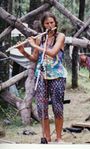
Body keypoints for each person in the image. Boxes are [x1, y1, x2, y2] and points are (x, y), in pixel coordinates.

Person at [17, 12, 67, 143]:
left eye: (52, 23)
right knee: (41, 108)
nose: (50, 25)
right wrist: (23, 52)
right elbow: (35, 58)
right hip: (41, 76)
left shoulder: (60, 36)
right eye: (47, 23)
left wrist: (33, 44)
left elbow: (52, 53)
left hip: (57, 76)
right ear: (43, 25)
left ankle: (59, 137)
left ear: (55, 23)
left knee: (57, 107)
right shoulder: (40, 39)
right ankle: (47, 137)